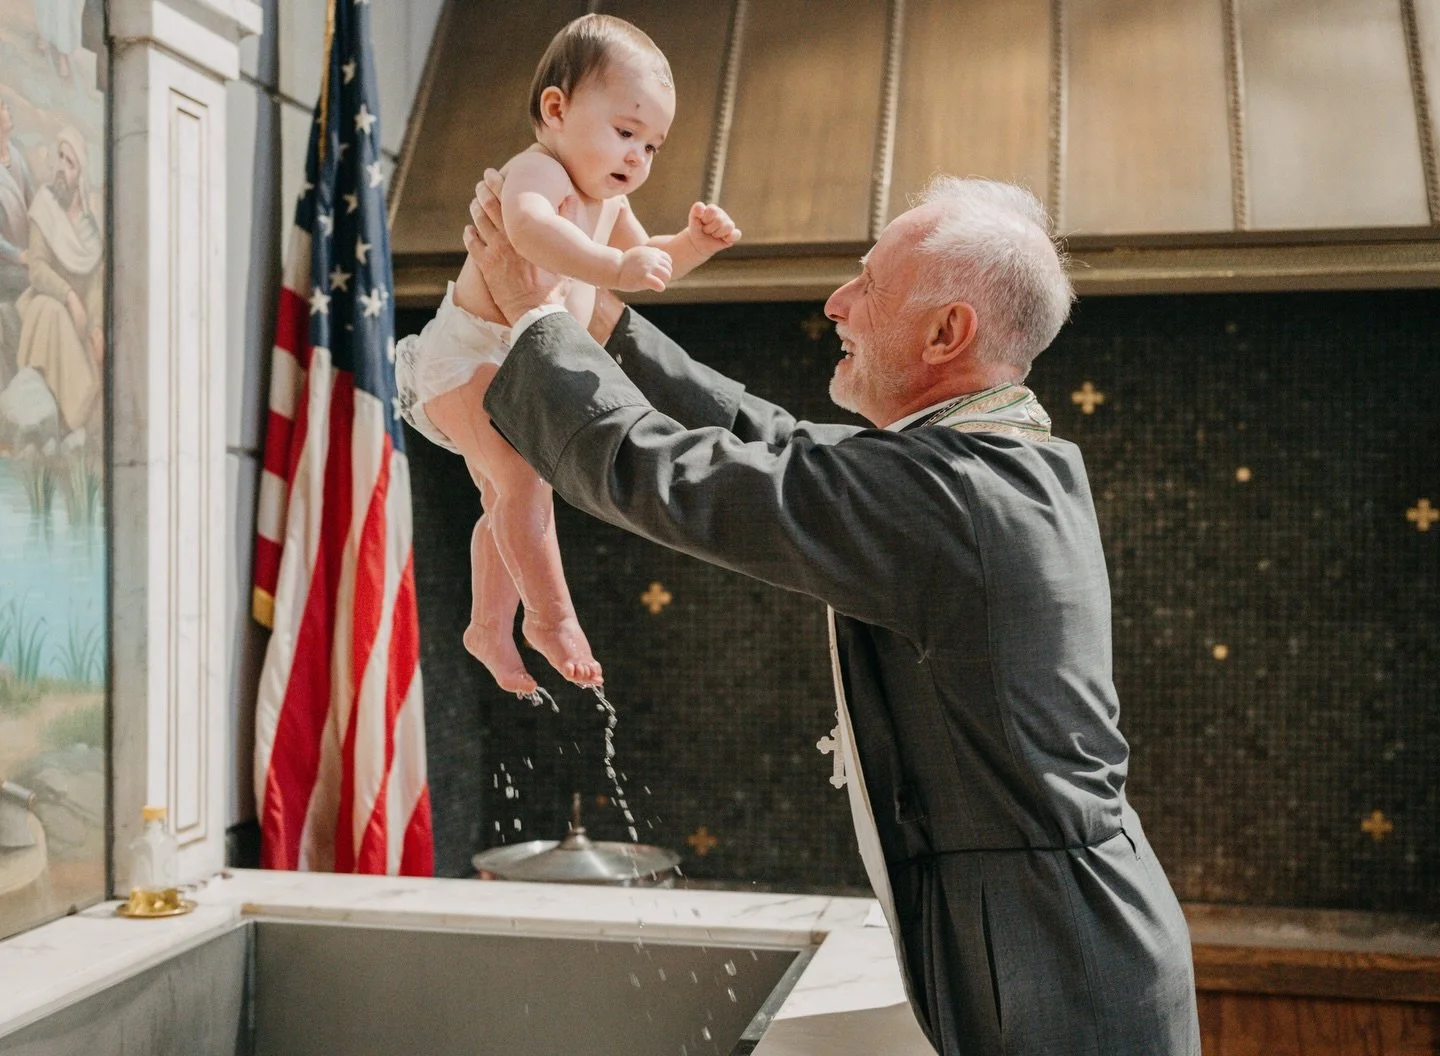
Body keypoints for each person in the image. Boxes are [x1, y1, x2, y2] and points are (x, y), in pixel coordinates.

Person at [462, 171, 1202, 1055]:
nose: (836, 302)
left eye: (869, 285)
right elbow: (766, 436)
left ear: (946, 332)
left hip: (1060, 957)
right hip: (1059, 929)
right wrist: (592, 312)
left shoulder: (950, 496)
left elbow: (666, 477)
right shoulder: (986, 458)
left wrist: (533, 320)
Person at [393, 14, 739, 700]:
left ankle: (489, 626)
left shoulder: (610, 201)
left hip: (515, 361)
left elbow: (650, 262)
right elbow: (529, 230)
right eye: (625, 131)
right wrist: (615, 260)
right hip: (464, 358)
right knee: (523, 483)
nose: (638, 156)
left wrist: (694, 246)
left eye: (651, 145)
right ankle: (549, 618)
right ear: (556, 108)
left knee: (503, 494)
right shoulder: (539, 171)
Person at [16, 126, 103, 435]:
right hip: (43, 305)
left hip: (79, 321)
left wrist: (95, 327)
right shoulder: (44, 204)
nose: (62, 169)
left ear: (81, 173)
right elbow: (37, 269)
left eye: (71, 163)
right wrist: (67, 294)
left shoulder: (91, 232)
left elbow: (95, 286)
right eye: (60, 158)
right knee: (54, 315)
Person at [0, 97, 36, 382]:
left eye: (6, 107)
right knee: (33, 284)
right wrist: (17, 255)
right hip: (5, 264)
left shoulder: (16, 156)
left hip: (25, 253)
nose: (7, 111)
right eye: (2, 108)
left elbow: (33, 201)